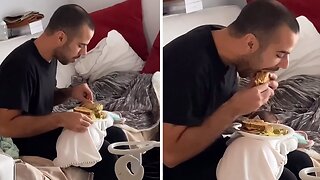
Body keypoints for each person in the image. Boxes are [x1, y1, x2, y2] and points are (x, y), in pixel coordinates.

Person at [163, 0, 313, 180]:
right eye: (279, 55)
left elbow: (206, 110)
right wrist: (234, 108)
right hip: (182, 168)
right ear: (250, 43)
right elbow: (170, 156)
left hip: (209, 150)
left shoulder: (221, 42)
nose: (284, 64)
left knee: (300, 161)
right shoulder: (188, 64)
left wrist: (247, 102)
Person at [0, 4, 128, 180]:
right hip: (26, 141)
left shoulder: (49, 57)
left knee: (118, 135)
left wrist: (69, 92)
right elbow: (6, 126)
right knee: (105, 155)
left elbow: (38, 98)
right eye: (80, 45)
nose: (83, 53)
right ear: (61, 37)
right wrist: (60, 119)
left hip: (44, 130)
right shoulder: (21, 65)